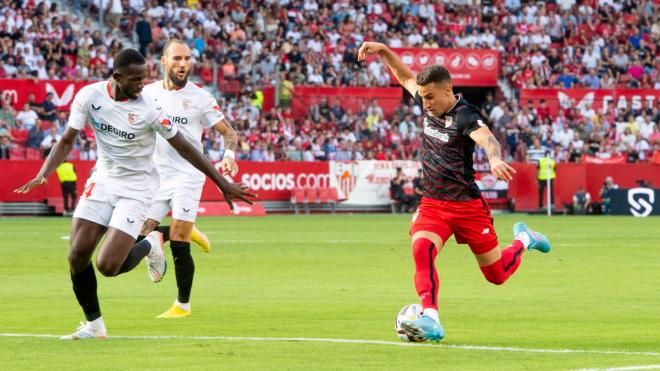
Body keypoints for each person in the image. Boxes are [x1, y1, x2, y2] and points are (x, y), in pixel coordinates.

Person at [14, 49, 255, 340]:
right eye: (136, 79)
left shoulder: (150, 107)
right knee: (77, 256)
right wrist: (44, 172)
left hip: (138, 188)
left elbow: (185, 146)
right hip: (102, 181)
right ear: (117, 77)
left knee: (108, 266)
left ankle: (152, 242)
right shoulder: (89, 97)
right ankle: (94, 326)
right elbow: (67, 139)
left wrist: (220, 180)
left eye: (144, 78)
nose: (143, 84)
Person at [358, 42, 551, 342]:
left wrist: (495, 157)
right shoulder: (427, 99)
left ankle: (525, 239)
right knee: (421, 249)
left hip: (467, 206)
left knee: (496, 275)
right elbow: (405, 76)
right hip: (433, 203)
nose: (425, 104)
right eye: (422, 98)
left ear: (448, 90)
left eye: (430, 97)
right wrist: (383, 51)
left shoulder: (465, 115)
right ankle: (430, 318)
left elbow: (487, 138)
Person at [138, 37, 240, 319]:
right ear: (163, 62)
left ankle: (182, 305)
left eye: (187, 59)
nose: (183, 64)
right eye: (177, 59)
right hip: (156, 177)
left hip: (188, 175)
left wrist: (228, 155)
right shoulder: (147, 94)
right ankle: (183, 230)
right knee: (136, 239)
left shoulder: (200, 98)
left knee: (178, 240)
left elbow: (229, 133)